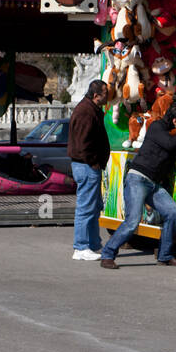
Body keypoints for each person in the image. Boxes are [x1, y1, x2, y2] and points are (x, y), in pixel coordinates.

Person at [100, 102, 176, 269]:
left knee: (173, 213)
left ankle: (165, 255)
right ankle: (108, 254)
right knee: (132, 221)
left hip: (153, 183)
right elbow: (170, 144)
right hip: (138, 179)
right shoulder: (157, 127)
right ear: (175, 121)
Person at [67, 80, 112, 261]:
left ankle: (92, 244)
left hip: (87, 165)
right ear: (96, 96)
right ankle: (81, 247)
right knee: (86, 207)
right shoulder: (86, 112)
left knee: (93, 207)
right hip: (86, 166)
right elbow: (84, 143)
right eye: (105, 94)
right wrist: (94, 162)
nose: (107, 97)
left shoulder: (89, 109)